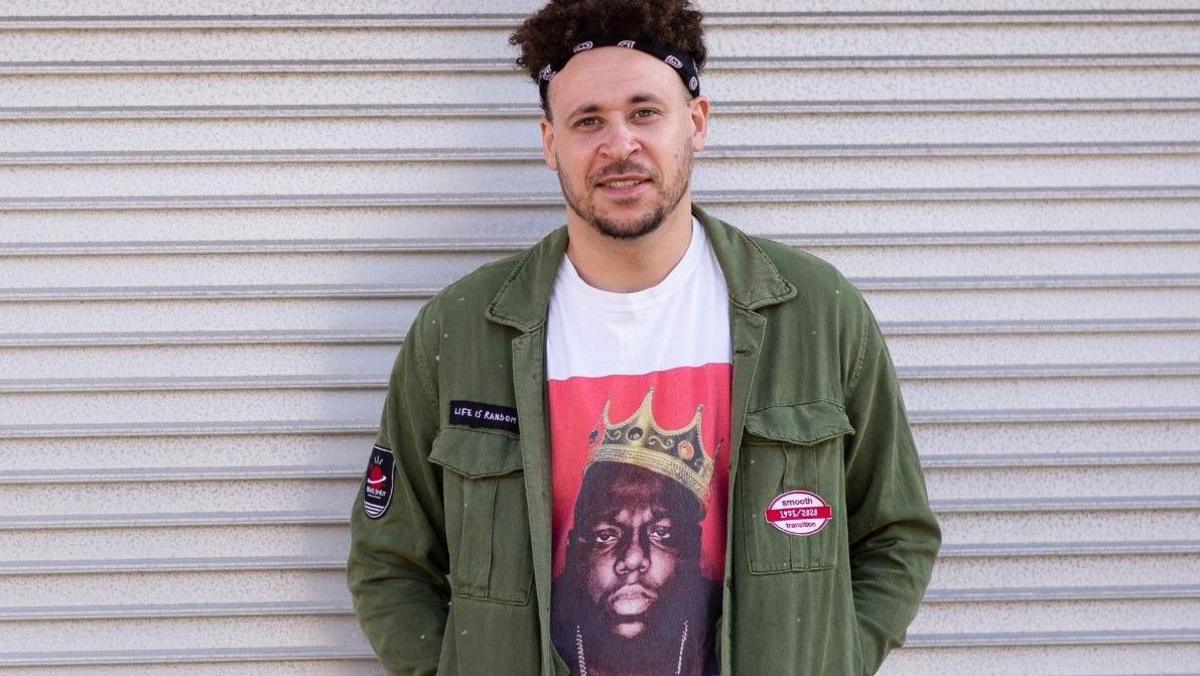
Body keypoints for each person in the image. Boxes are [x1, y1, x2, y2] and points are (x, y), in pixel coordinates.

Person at [347, 1, 941, 674]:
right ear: (550, 142)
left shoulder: (815, 315)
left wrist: (829, 660)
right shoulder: (461, 332)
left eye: (645, 112)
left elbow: (896, 535)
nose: (619, 144)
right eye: (588, 120)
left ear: (697, 123)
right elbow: (388, 563)